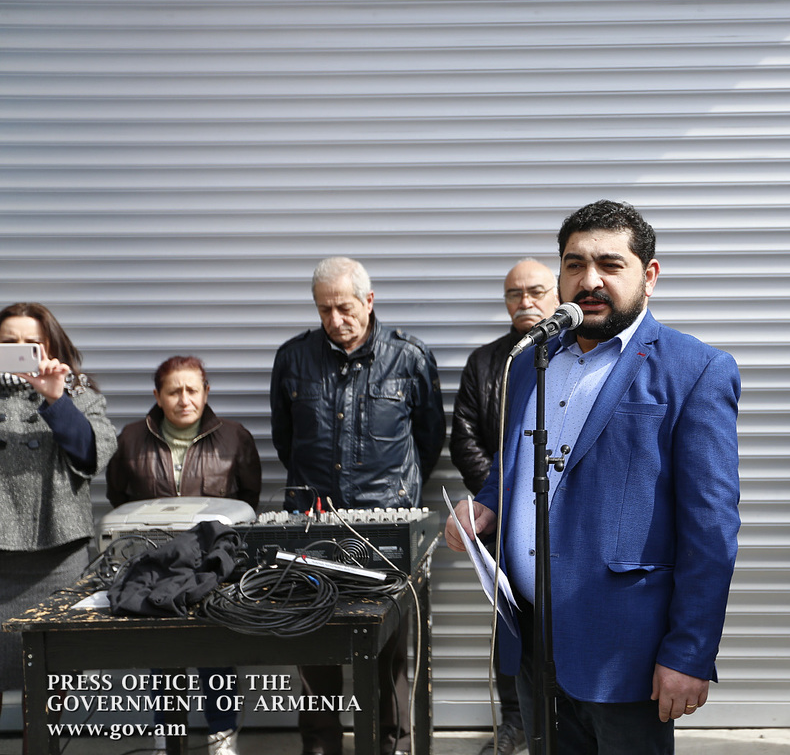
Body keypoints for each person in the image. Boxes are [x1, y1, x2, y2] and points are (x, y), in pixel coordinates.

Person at [445, 200, 741, 755]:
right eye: (575, 264)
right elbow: (518, 460)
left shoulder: (695, 370)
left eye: (610, 264)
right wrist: (487, 504)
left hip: (623, 652)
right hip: (531, 638)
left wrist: (690, 652)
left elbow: (712, 530)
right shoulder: (531, 361)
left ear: (649, 276)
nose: (590, 280)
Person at [270, 256, 445, 755]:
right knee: (313, 644)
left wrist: (394, 495)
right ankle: (320, 746)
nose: (335, 319)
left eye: (344, 307)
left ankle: (391, 745)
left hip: (385, 530)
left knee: (387, 652)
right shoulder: (293, 358)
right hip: (311, 526)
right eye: (324, 310)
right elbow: (286, 440)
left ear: (368, 301)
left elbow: (429, 440)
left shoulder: (409, 357)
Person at [107, 355, 261, 755]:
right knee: (160, 653)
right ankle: (166, 737)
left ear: (206, 392)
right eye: (173, 391)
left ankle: (222, 735)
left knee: (215, 650)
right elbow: (118, 496)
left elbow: (248, 499)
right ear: (157, 395)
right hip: (154, 567)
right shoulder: (130, 439)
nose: (184, 399)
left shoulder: (235, 437)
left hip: (210, 564)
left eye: (192, 389)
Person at [450, 258, 558, 755]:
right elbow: (465, 438)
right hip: (503, 524)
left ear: (557, 294)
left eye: (535, 291)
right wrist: (500, 499)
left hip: (562, 523)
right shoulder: (489, 361)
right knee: (510, 626)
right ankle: (515, 722)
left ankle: (565, 723)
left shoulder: (573, 353)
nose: (525, 302)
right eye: (514, 294)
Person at [0, 303, 117, 702]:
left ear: (49, 346)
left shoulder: (76, 389)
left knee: (50, 677)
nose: (20, 349)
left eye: (31, 342)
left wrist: (55, 399)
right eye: (9, 342)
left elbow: (93, 454)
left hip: (56, 554)